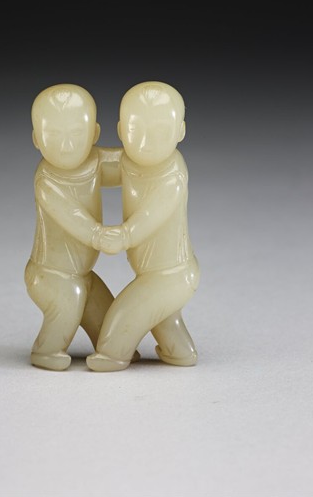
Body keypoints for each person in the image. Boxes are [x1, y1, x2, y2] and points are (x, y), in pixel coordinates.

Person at [87, 81, 200, 372]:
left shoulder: (172, 176)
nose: (148, 142)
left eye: (161, 131)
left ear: (180, 132)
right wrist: (73, 153)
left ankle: (112, 355)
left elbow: (150, 216)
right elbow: (95, 166)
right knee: (163, 320)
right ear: (122, 131)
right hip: (153, 272)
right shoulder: (129, 161)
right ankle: (179, 352)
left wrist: (124, 236)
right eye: (137, 131)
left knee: (125, 317)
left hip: (170, 274)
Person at [25, 83, 124, 371]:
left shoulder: (95, 162)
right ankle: (47, 350)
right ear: (37, 139)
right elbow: (72, 216)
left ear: (94, 134)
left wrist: (155, 156)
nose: (66, 146)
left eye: (77, 134)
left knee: (110, 324)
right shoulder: (47, 180)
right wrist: (99, 235)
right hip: (51, 274)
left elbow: (127, 164)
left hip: (82, 274)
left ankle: (113, 348)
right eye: (54, 135)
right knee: (70, 299)